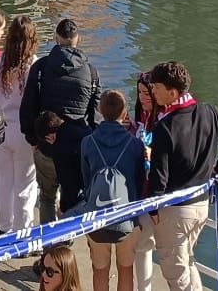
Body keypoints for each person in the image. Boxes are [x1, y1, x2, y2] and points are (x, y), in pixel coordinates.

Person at [143, 61, 218, 291]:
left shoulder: (165, 126)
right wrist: (216, 170)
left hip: (174, 210)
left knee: (176, 273)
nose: (153, 92)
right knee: (187, 262)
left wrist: (154, 207)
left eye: (156, 87)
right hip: (201, 203)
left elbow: (159, 174)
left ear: (172, 92)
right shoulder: (210, 112)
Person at [21, 18, 99, 216]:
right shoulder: (90, 72)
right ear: (77, 39)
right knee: (71, 195)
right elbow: (94, 114)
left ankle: (48, 244)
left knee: (47, 197)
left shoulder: (41, 67)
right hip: (76, 147)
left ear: (56, 38)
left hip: (47, 145)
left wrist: (32, 138)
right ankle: (66, 242)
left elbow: (28, 105)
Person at [80, 91, 146, 291]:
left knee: (99, 269)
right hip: (127, 215)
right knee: (126, 269)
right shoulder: (135, 144)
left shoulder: (87, 142)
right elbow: (139, 179)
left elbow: (85, 179)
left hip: (96, 215)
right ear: (124, 112)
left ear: (100, 111)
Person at [0, 15, 39, 233]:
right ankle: (23, 232)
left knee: (4, 182)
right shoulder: (33, 63)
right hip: (22, 129)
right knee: (25, 185)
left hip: (0, 127)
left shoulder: (0, 60)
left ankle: (4, 225)